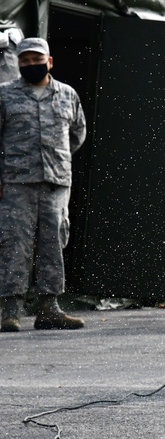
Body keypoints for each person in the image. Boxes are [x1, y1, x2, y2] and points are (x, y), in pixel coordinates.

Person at [0, 38, 87, 332]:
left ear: (49, 62)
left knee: (53, 243)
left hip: (55, 183)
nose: (30, 65)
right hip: (16, 183)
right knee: (14, 244)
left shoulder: (67, 95)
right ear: (18, 64)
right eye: (24, 61)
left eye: (36, 60)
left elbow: (77, 134)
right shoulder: (5, 96)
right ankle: (10, 310)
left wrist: (55, 160)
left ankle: (49, 308)